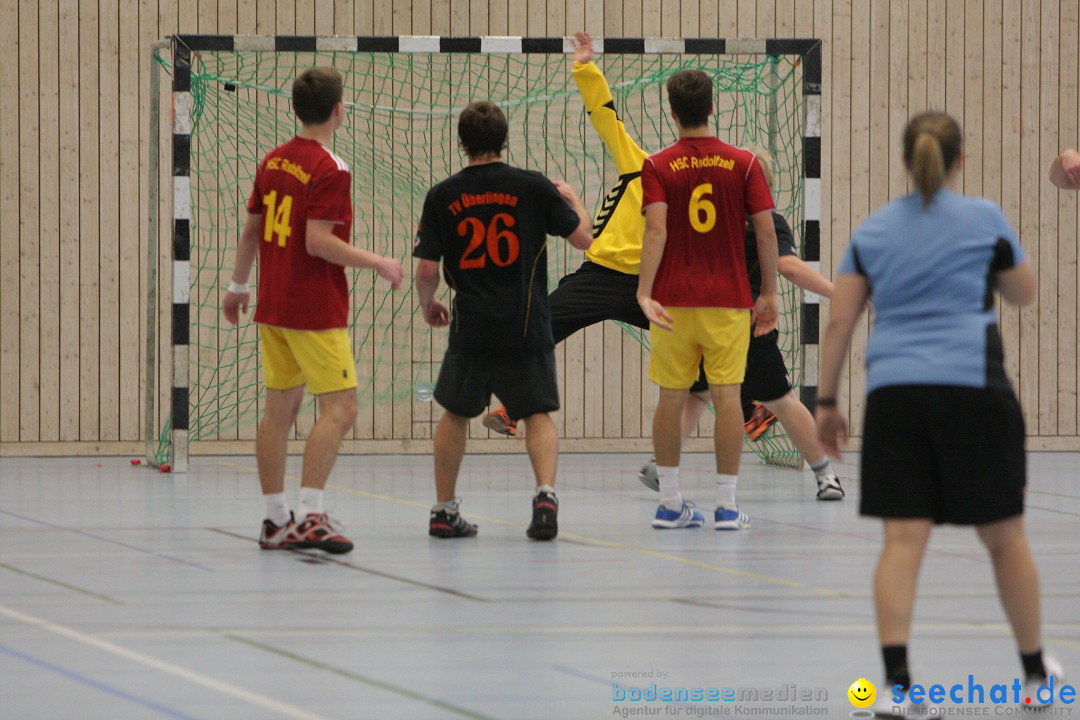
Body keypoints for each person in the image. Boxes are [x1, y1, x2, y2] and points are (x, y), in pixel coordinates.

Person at [815, 111, 1060, 717]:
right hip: (973, 389)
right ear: (961, 160)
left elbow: (841, 320)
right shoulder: (984, 220)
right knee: (1005, 537)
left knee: (902, 541)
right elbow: (1025, 293)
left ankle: (897, 689)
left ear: (905, 161)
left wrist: (825, 402)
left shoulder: (872, 231)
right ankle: (1033, 675)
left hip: (896, 395)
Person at [482, 32, 777, 445]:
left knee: (695, 351)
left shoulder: (681, 178)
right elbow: (605, 115)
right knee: (542, 326)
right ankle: (511, 409)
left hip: (652, 285)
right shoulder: (643, 164)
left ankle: (751, 409)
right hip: (600, 276)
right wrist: (585, 67)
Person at [222, 67, 404, 554]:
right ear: (339, 110)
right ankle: (311, 514)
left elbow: (251, 231)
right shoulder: (331, 168)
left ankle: (275, 519)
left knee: (278, 412)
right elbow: (319, 242)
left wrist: (238, 285)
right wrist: (379, 262)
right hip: (314, 308)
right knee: (341, 408)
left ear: (297, 108)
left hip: (274, 304)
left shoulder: (273, 161)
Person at [414, 100, 593, 541]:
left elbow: (426, 270)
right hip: (526, 325)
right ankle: (546, 498)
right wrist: (574, 200)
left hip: (471, 327)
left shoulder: (443, 195)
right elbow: (585, 240)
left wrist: (428, 302)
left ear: (462, 142)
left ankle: (443, 511)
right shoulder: (532, 187)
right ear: (504, 139)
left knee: (455, 414)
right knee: (536, 414)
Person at [638, 148, 845, 502]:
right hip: (743, 323)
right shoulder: (765, 221)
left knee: (696, 394)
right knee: (781, 400)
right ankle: (825, 476)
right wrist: (837, 292)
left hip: (698, 316)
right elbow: (789, 266)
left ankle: (663, 466)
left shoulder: (707, 219)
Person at [637, 69, 779, 531]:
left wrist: (643, 290)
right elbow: (764, 230)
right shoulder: (745, 163)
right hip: (727, 300)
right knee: (727, 397)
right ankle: (726, 506)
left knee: (670, 398)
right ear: (713, 108)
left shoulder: (657, 165)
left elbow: (655, 229)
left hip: (672, 301)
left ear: (672, 112)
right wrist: (770, 292)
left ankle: (671, 504)